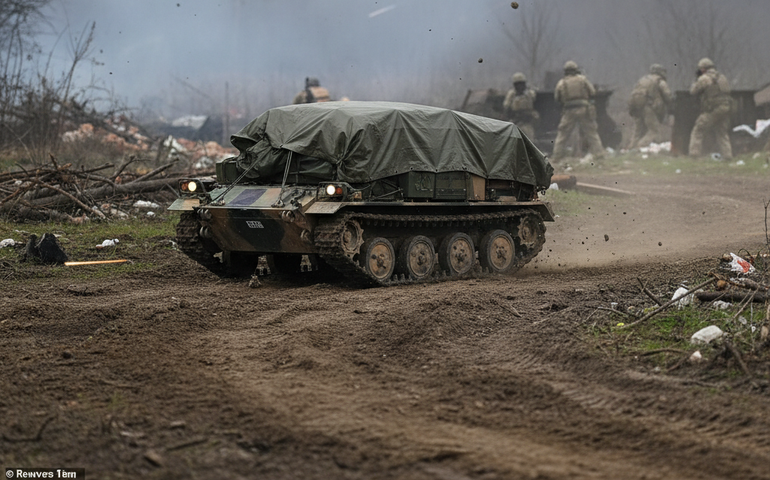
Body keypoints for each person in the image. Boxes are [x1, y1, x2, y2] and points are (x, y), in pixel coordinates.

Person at [552, 60, 604, 160]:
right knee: (591, 133)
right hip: (583, 109)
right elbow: (592, 92)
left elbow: (557, 98)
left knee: (562, 135)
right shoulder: (583, 80)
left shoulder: (561, 83)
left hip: (569, 111)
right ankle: (599, 154)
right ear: (576, 70)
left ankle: (557, 157)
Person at [688, 57, 733, 159]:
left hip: (713, 109)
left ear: (703, 69)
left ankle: (694, 154)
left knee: (698, 129)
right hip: (725, 108)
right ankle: (728, 155)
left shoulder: (705, 78)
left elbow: (693, 91)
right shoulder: (722, 77)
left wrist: (696, 80)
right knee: (722, 133)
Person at [628, 64, 672, 149]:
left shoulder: (643, 80)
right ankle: (640, 146)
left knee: (638, 130)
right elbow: (667, 95)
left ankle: (631, 148)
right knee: (654, 130)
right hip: (648, 107)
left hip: (636, 107)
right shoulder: (659, 81)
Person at [502, 72, 539, 139]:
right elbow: (507, 108)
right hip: (516, 121)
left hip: (527, 122)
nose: (520, 86)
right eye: (517, 84)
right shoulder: (511, 95)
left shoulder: (530, 94)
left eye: (521, 84)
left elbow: (535, 107)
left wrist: (532, 116)